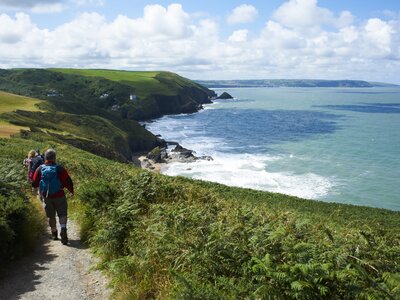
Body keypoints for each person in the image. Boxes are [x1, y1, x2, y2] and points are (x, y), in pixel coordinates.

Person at [32, 149, 74, 245]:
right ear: (54, 158)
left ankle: (54, 233)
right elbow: (67, 180)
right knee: (62, 214)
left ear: (45, 157)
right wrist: (71, 191)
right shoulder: (59, 168)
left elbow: (34, 182)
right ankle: (63, 228)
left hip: (47, 196)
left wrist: (35, 190)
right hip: (59, 195)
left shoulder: (40, 168)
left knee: (51, 216)